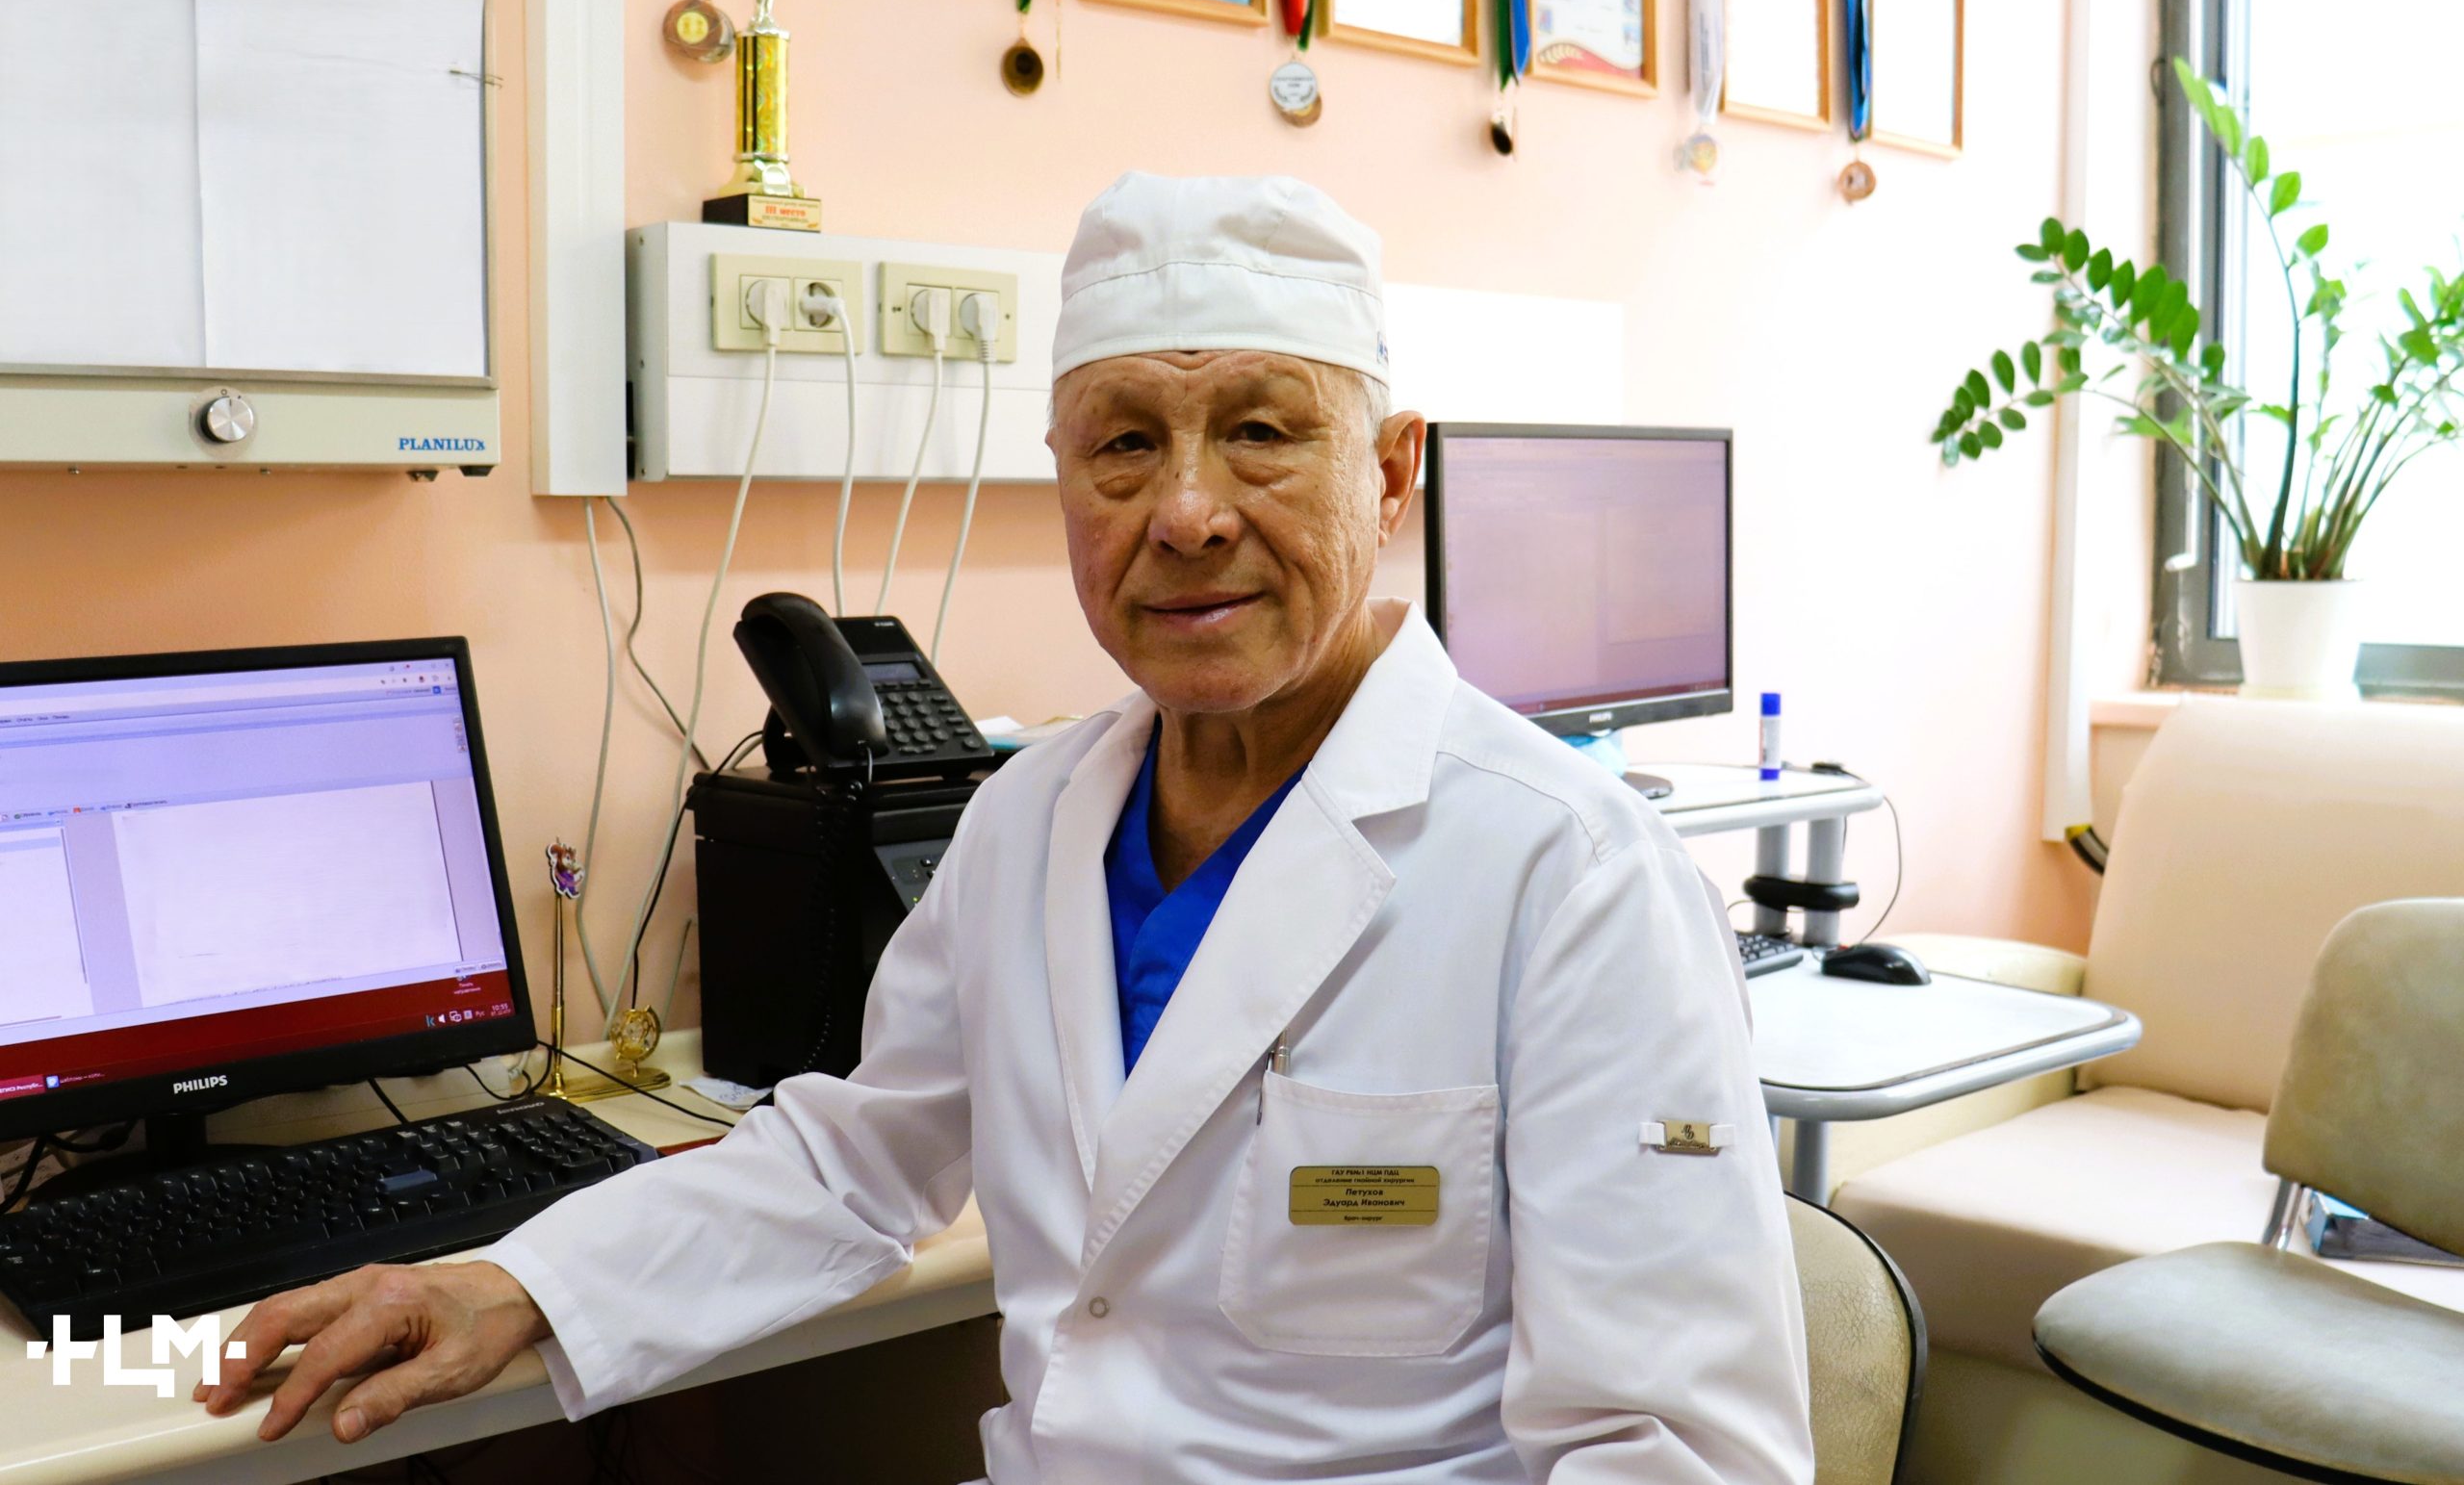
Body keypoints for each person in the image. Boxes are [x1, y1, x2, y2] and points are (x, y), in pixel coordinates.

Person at [204, 173, 1814, 1483]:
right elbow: (858, 1160)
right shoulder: (1029, 819)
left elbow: (1680, 1451)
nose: (1186, 512)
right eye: (1124, 445)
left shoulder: (1571, 874)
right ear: (1062, 483)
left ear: (1392, 477)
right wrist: (521, 1283)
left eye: (1264, 431)